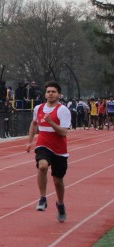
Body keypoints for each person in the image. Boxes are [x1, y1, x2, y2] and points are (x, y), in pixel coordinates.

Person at [26, 81, 71, 222]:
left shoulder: (63, 110)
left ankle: (60, 204)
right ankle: (43, 198)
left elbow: (64, 132)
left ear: (59, 94)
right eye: (48, 91)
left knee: (58, 181)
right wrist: (30, 141)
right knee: (42, 166)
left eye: (53, 92)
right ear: (45, 94)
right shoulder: (38, 108)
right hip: (43, 144)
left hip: (59, 150)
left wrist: (51, 122)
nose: (50, 94)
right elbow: (34, 124)